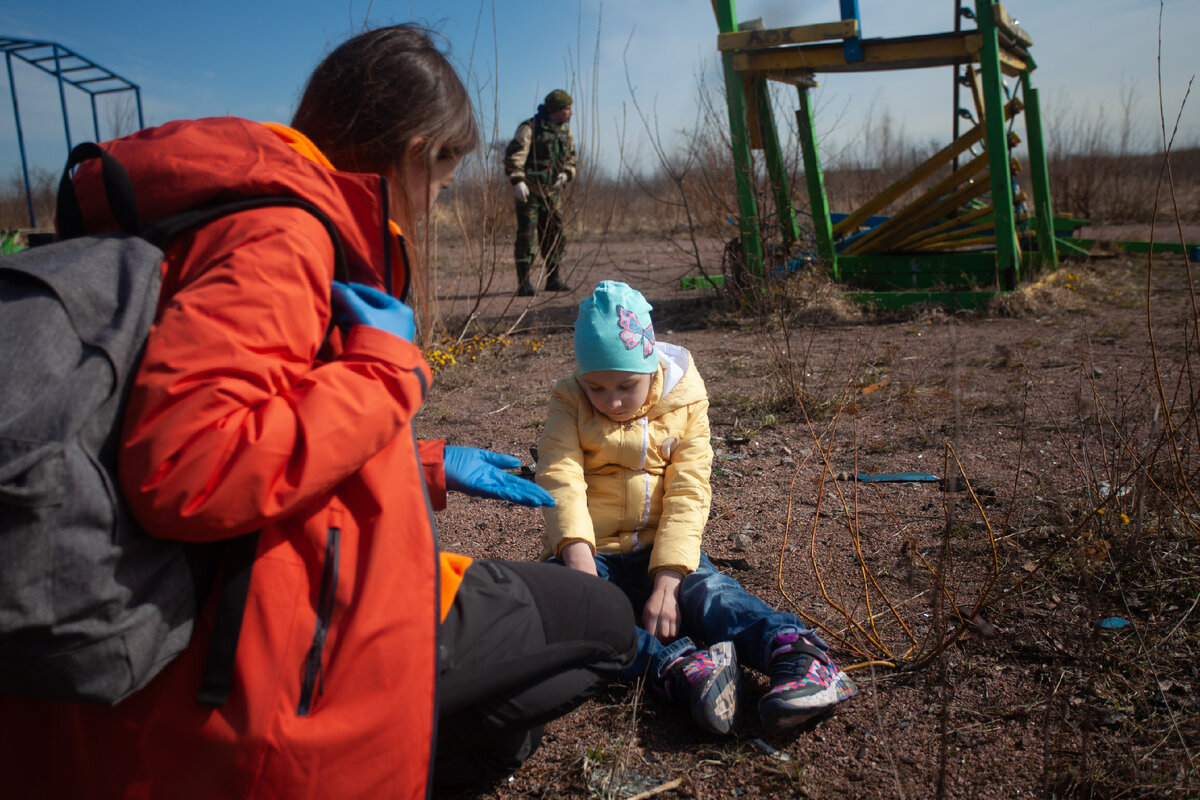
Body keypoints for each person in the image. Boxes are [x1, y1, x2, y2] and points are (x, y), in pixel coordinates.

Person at [0, 26, 635, 799]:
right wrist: (384, 369)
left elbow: (260, 408)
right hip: (277, 662)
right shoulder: (283, 234)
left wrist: (422, 463)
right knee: (605, 627)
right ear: (412, 148)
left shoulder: (254, 209)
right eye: (442, 173)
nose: (437, 201)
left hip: (264, 605)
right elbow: (185, 466)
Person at [535, 281, 858, 736]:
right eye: (597, 388)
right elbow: (560, 476)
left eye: (626, 385)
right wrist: (578, 560)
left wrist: (667, 582)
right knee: (574, 613)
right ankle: (686, 669)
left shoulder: (684, 401)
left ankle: (800, 656)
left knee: (711, 595)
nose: (611, 401)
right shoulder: (568, 400)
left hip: (665, 552)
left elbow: (689, 492)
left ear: (649, 365)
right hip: (590, 554)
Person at [503, 88, 577, 296]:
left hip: (552, 193)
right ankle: (524, 282)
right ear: (557, 110)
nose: (571, 113)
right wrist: (517, 181)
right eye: (568, 109)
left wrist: (566, 174)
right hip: (529, 192)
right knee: (526, 235)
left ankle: (553, 278)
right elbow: (514, 157)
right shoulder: (530, 128)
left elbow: (571, 158)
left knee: (555, 234)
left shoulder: (565, 132)